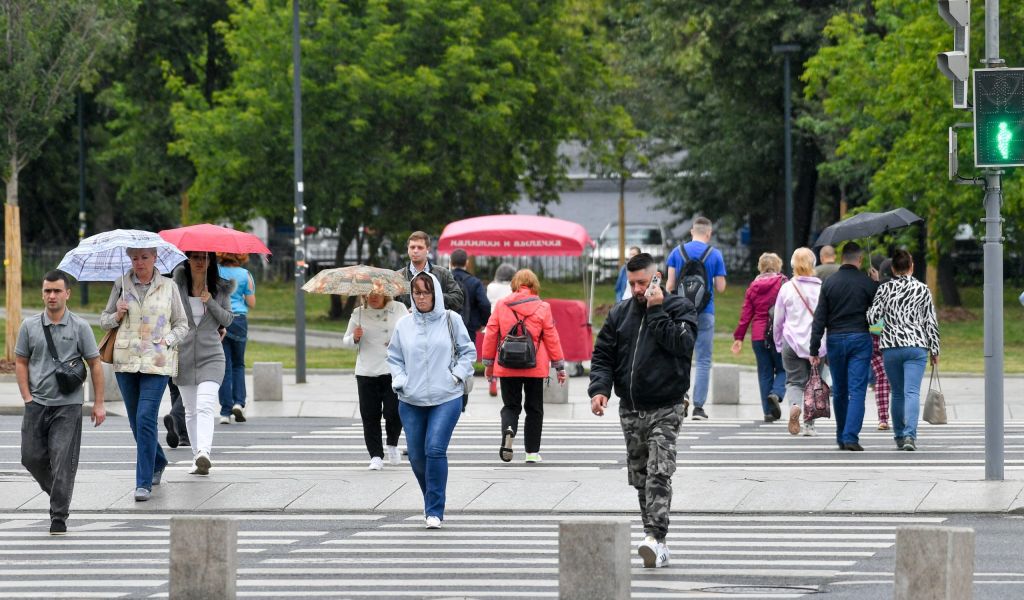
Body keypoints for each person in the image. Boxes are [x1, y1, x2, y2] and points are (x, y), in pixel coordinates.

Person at [589, 252, 698, 569]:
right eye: (633, 282)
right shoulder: (620, 313)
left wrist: (656, 311)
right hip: (631, 409)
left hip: (667, 405)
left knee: (659, 471)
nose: (637, 289)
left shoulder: (680, 308)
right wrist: (599, 389)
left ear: (657, 278)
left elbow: (683, 344)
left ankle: (656, 538)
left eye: (643, 282)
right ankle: (653, 534)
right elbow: (603, 356)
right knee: (641, 477)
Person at [16, 271, 105, 535]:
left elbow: (95, 364)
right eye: (47, 291)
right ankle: (60, 493)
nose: (51, 296)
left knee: (62, 459)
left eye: (56, 291)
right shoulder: (29, 326)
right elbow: (21, 362)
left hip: (68, 406)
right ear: (42, 293)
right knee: (30, 457)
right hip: (36, 403)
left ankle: (58, 515)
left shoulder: (79, 327)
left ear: (67, 294)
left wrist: (98, 403)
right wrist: (27, 397)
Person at [387, 272, 475, 529]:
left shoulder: (451, 319)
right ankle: (431, 499)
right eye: (417, 293)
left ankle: (434, 509)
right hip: (411, 398)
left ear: (435, 293)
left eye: (426, 292)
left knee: (435, 449)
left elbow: (468, 351)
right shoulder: (404, 324)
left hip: (446, 396)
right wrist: (400, 380)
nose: (421, 297)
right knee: (416, 456)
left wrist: (456, 376)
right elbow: (394, 357)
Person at [100, 247, 189, 501]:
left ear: (154, 258)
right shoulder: (120, 285)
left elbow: (182, 324)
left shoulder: (168, 286)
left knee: (145, 417)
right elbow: (104, 320)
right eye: (134, 258)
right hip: (126, 360)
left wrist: (169, 340)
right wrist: (117, 314)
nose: (139, 262)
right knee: (135, 422)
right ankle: (158, 460)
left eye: (144, 257)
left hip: (157, 360)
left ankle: (143, 483)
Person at [482, 268, 567, 464]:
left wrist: (488, 363)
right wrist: (559, 366)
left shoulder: (502, 305)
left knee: (510, 406)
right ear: (534, 285)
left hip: (507, 365)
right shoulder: (543, 307)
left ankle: (509, 430)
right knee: (534, 409)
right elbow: (552, 338)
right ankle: (531, 452)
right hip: (534, 366)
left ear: (514, 284)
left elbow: (491, 333)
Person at [867, 250, 940, 451]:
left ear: (892, 268)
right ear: (911, 266)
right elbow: (930, 322)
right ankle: (910, 436)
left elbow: (873, 319)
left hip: (891, 347)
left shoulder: (885, 289)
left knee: (897, 393)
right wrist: (934, 349)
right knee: (912, 392)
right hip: (916, 346)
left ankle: (899, 434)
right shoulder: (922, 289)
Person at [809, 242, 879, 451]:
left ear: (842, 258)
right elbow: (877, 313)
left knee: (839, 390)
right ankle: (850, 436)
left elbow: (819, 317)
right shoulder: (866, 283)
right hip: (860, 338)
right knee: (857, 390)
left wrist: (814, 348)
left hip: (836, 339)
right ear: (859, 260)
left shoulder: (830, 282)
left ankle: (840, 435)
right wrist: (875, 283)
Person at [171, 251, 235, 475]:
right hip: (183, 354)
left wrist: (211, 303)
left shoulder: (220, 287)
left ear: (211, 261)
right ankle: (196, 457)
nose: (200, 262)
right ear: (187, 260)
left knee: (205, 405)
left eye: (204, 258)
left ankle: (204, 453)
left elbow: (228, 319)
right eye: (195, 257)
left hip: (212, 355)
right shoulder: (176, 285)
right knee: (190, 410)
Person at [665, 216, 726, 420]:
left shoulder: (677, 252)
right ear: (708, 233)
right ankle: (698, 408)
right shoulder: (715, 254)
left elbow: (670, 285)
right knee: (703, 360)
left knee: (681, 355)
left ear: (692, 231)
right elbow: (721, 287)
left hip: (680, 312)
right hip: (705, 312)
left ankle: (681, 395)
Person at [343, 291, 409, 470]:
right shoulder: (359, 313)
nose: (373, 296)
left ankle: (393, 444)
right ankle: (376, 456)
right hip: (367, 371)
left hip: (392, 369)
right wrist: (355, 338)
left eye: (378, 293)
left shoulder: (399, 309)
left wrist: (398, 342)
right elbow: (345, 340)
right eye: (369, 293)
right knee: (370, 415)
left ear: (386, 293)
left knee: (393, 412)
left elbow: (411, 332)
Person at [772, 248, 826, 436]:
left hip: (792, 342)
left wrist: (778, 342)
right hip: (816, 345)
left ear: (793, 265)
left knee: (794, 382)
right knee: (813, 384)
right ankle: (809, 426)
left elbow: (778, 319)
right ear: (813, 264)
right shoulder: (821, 288)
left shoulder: (787, 288)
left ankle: (795, 405)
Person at [731, 253, 787, 422]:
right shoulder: (784, 283)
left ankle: (768, 412)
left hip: (758, 335)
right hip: (778, 334)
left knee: (764, 373)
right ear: (778, 266)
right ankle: (776, 394)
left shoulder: (753, 286)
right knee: (785, 369)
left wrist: (739, 337)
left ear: (760, 267)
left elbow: (746, 314)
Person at [216, 253, 256, 424]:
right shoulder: (245, 274)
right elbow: (252, 302)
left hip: (220, 319)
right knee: (239, 364)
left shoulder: (215, 271)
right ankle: (239, 403)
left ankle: (225, 411)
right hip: (239, 320)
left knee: (224, 366)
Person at [450, 248, 490, 411]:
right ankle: (462, 399)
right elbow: (485, 304)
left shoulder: (445, 280)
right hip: (468, 328)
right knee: (465, 362)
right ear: (466, 263)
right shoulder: (474, 282)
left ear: (451, 262)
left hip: (446, 328)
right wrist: (482, 322)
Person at [395, 231, 464, 312]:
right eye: (412, 247)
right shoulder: (398, 276)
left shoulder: (443, 273)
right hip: (408, 323)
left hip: (436, 322)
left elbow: (458, 298)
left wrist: (433, 298)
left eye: (420, 247)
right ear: (408, 249)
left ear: (428, 249)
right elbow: (391, 304)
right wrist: (405, 312)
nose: (415, 251)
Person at [485, 263, 517, 397]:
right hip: (510, 324)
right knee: (508, 350)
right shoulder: (513, 288)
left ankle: (492, 379)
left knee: (493, 351)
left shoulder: (491, 287)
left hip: (493, 321)